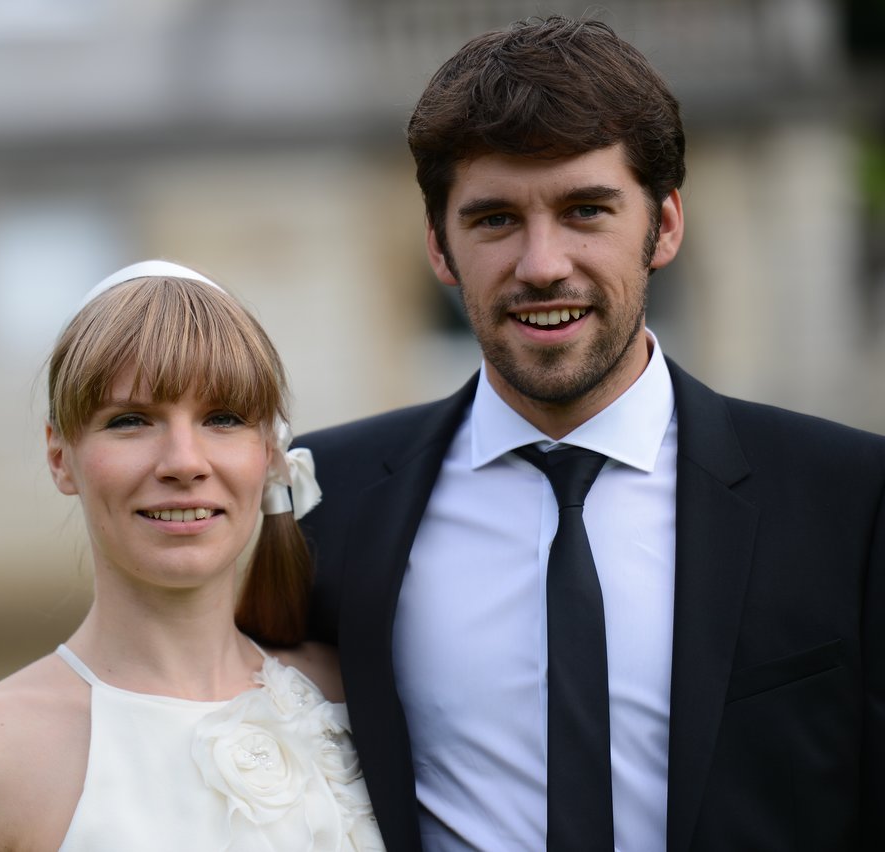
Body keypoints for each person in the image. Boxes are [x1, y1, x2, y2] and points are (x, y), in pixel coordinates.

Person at [297, 15, 884, 852]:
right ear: (439, 247)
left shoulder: (850, 499)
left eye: (586, 211)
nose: (542, 263)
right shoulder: (326, 498)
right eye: (495, 220)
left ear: (666, 225)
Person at [0, 260, 384, 851]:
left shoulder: (356, 693)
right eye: (131, 421)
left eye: (223, 419)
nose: (184, 461)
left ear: (269, 453)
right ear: (60, 456)